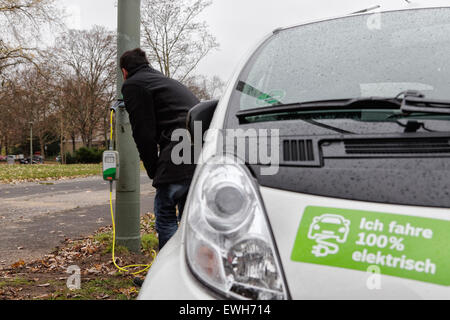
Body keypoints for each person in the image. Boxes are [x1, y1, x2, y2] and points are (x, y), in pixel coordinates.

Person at [120, 48, 199, 250]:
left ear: (124, 71)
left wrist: (154, 170)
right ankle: (192, 271)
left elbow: (143, 132)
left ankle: (168, 274)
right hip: (199, 153)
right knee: (190, 219)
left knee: (165, 215)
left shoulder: (134, 84)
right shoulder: (163, 81)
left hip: (177, 152)